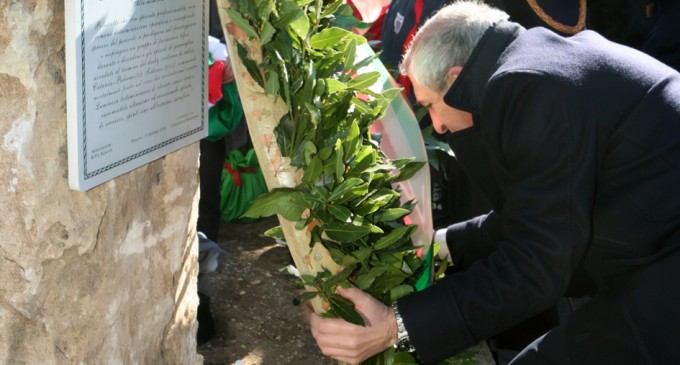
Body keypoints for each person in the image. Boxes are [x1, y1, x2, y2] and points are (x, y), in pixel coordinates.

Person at [305, 1, 680, 364]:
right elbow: (532, 216)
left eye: (431, 105)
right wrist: (440, 246)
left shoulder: (527, 86)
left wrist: (395, 327)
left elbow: (535, 263)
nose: (436, 126)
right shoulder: (533, 61)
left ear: (455, 77)